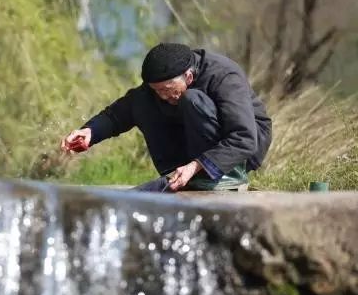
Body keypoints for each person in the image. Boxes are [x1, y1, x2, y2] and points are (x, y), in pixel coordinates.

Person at [60, 43, 272, 192]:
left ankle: (211, 175)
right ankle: (176, 174)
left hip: (244, 150)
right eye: (157, 90)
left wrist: (197, 165)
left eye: (167, 89)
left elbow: (244, 138)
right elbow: (118, 114)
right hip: (196, 146)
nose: (163, 95)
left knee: (192, 100)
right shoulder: (158, 89)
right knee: (142, 101)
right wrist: (89, 132)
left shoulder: (224, 77)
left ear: (188, 76)